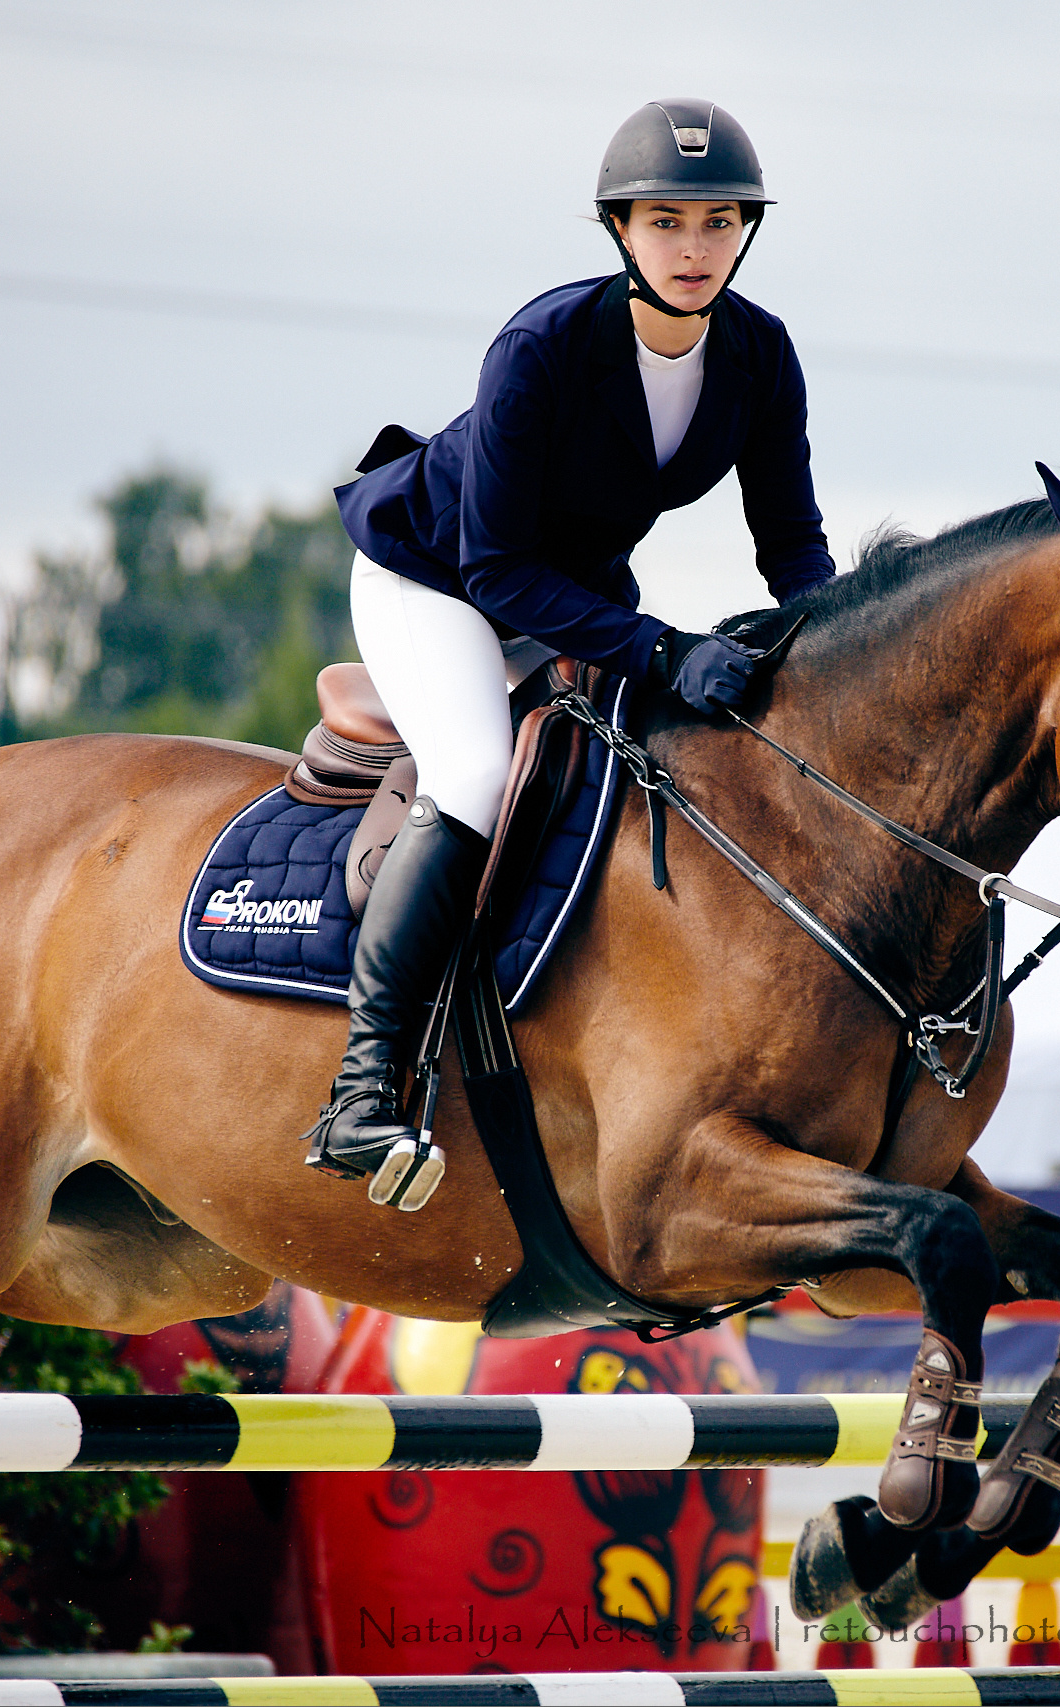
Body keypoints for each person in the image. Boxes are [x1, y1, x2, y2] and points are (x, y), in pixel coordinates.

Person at [309, 99, 836, 1192]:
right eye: (665, 222)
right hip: (438, 574)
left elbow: (791, 547)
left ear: (745, 230)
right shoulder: (541, 346)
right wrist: (660, 645)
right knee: (471, 776)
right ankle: (360, 1095)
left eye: (718, 223)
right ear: (619, 232)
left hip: (573, 591)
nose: (694, 250)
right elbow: (495, 567)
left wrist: (843, 658)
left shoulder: (760, 353)